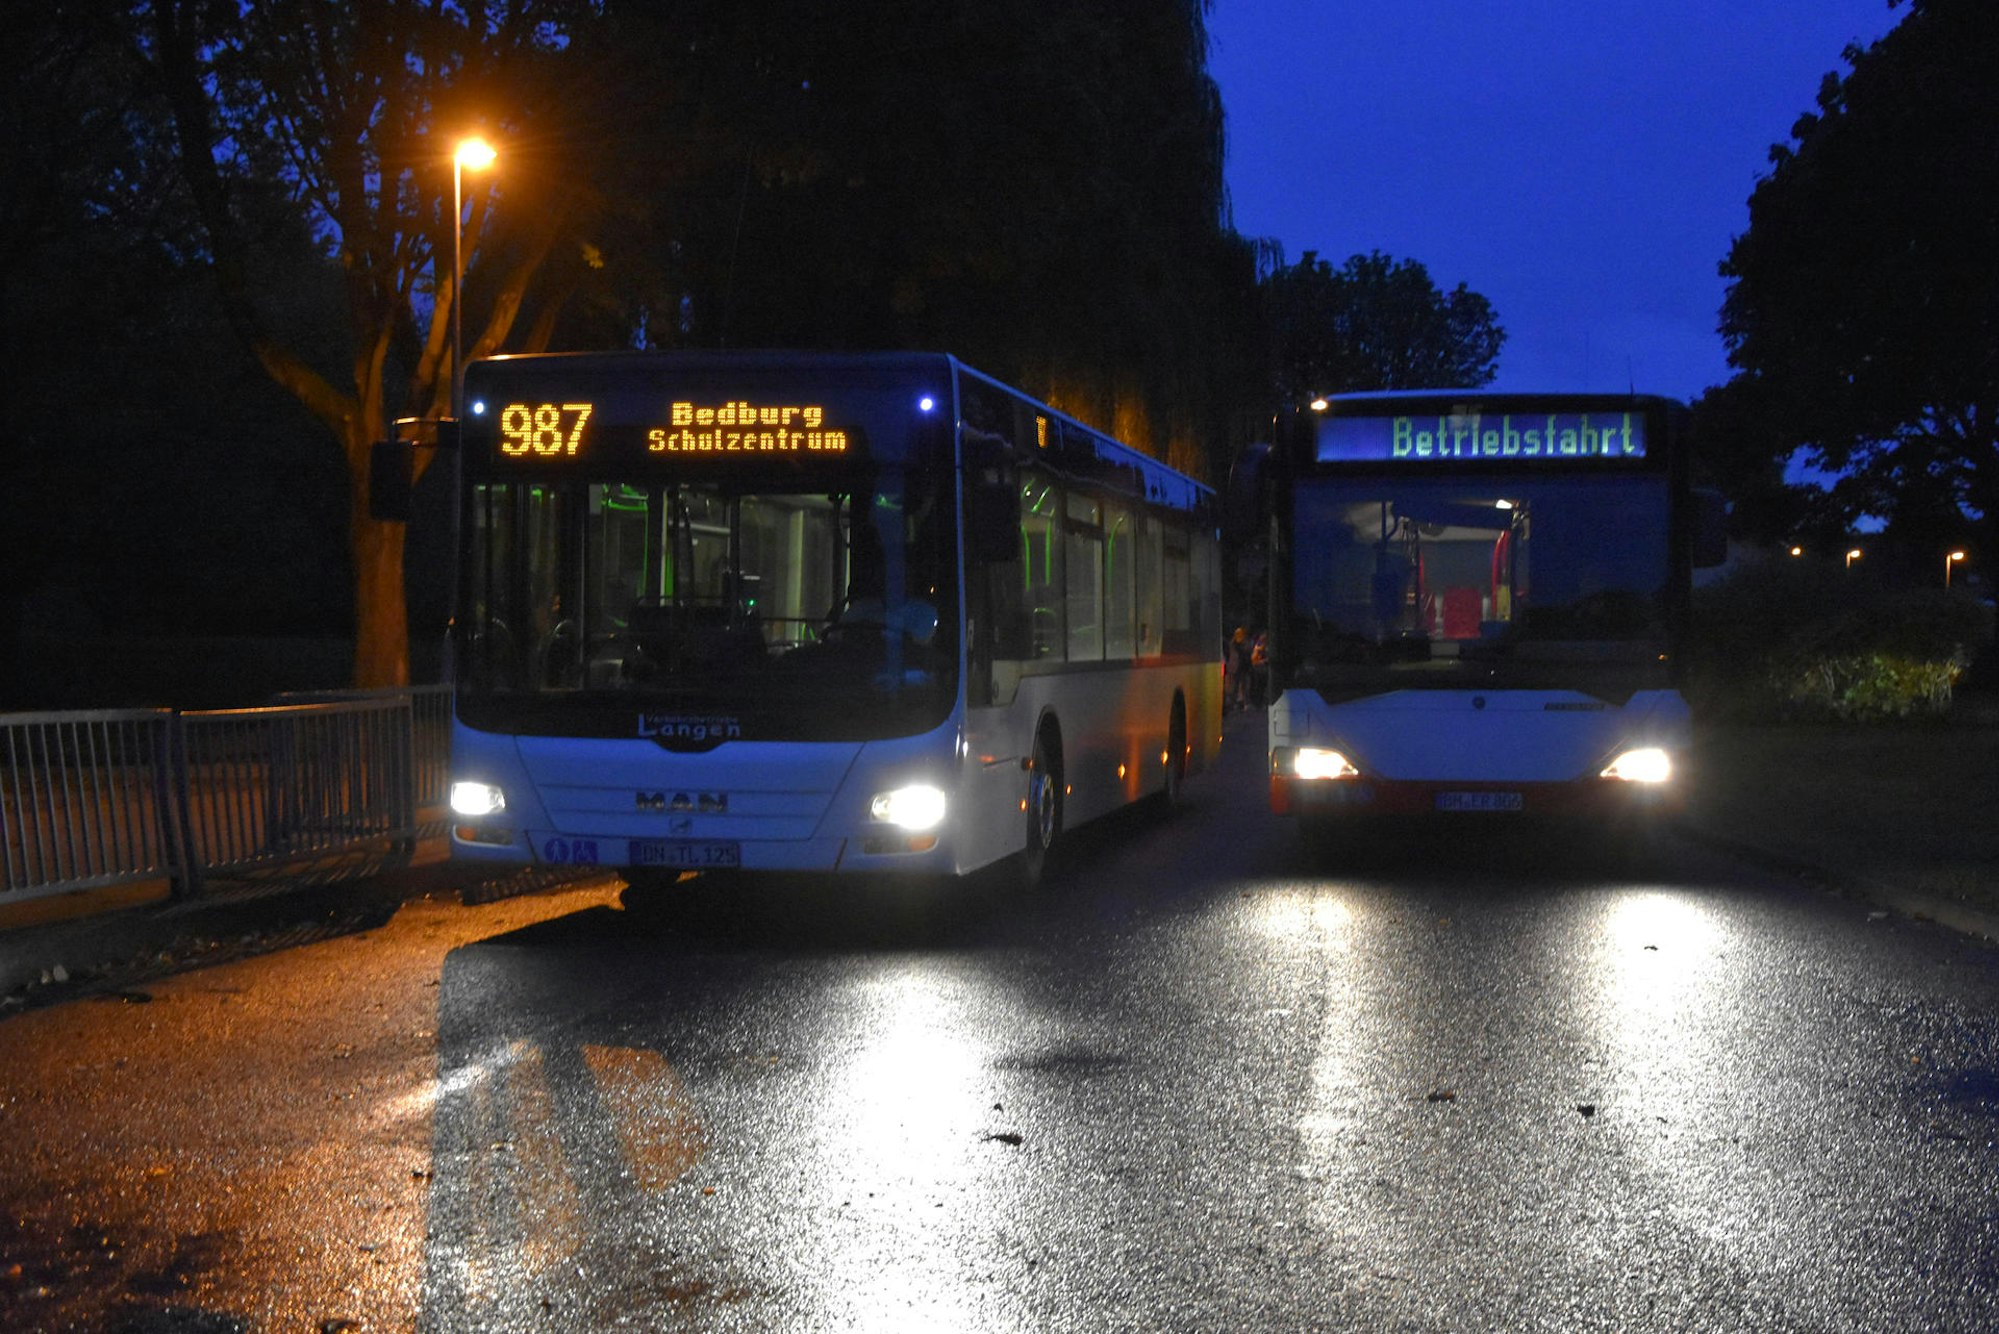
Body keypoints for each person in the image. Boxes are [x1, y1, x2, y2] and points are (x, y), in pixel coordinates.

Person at [1227, 626, 1250, 711]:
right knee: (1235, 686)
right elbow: (1232, 657)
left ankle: (1243, 703)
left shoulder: (1244, 643)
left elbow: (1246, 654)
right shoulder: (1233, 644)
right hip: (1237, 667)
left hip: (1243, 667)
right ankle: (1235, 703)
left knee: (1243, 685)